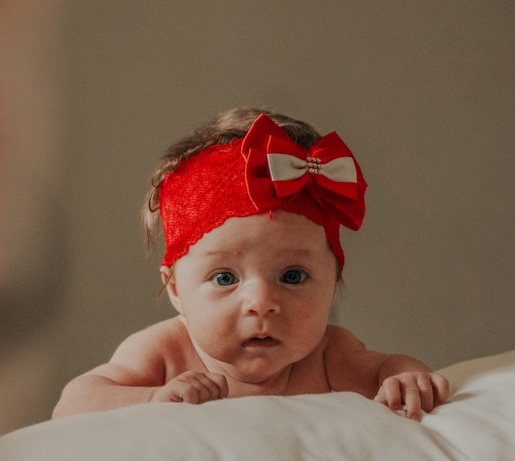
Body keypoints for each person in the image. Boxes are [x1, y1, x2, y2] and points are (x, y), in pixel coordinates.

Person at [52, 108, 448, 421]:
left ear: (332, 284)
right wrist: (155, 398)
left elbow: (388, 369)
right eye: (225, 277)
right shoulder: (166, 352)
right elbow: (73, 404)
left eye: (293, 276)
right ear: (176, 290)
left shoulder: (329, 355)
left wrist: (406, 377)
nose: (262, 302)